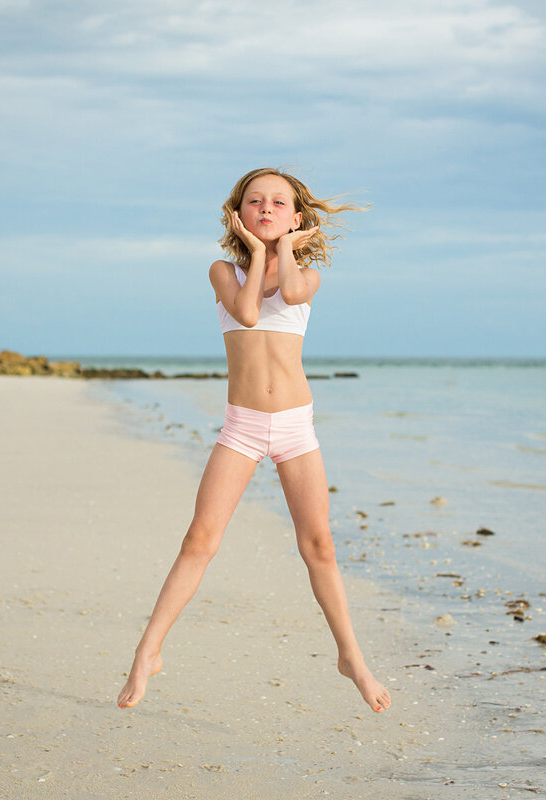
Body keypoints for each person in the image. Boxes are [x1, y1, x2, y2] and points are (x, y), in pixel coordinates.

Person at [117, 168, 391, 714]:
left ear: (296, 217)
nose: (265, 208)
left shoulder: (306, 276)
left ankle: (351, 657)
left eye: (278, 203)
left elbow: (289, 291)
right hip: (242, 426)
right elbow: (245, 311)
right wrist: (254, 250)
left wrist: (284, 249)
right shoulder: (223, 271)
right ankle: (148, 652)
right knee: (200, 541)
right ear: (238, 214)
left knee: (320, 547)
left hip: (295, 427)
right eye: (254, 202)